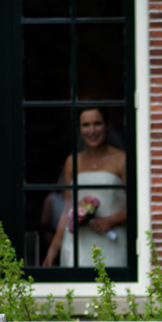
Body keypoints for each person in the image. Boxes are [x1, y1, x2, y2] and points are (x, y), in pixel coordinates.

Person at [42, 106, 127, 268]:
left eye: (97, 123)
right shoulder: (72, 161)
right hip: (77, 245)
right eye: (86, 125)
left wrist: (111, 220)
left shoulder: (122, 159)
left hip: (111, 241)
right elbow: (67, 209)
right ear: (79, 129)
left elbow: (137, 206)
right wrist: (53, 249)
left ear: (107, 125)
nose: (92, 130)